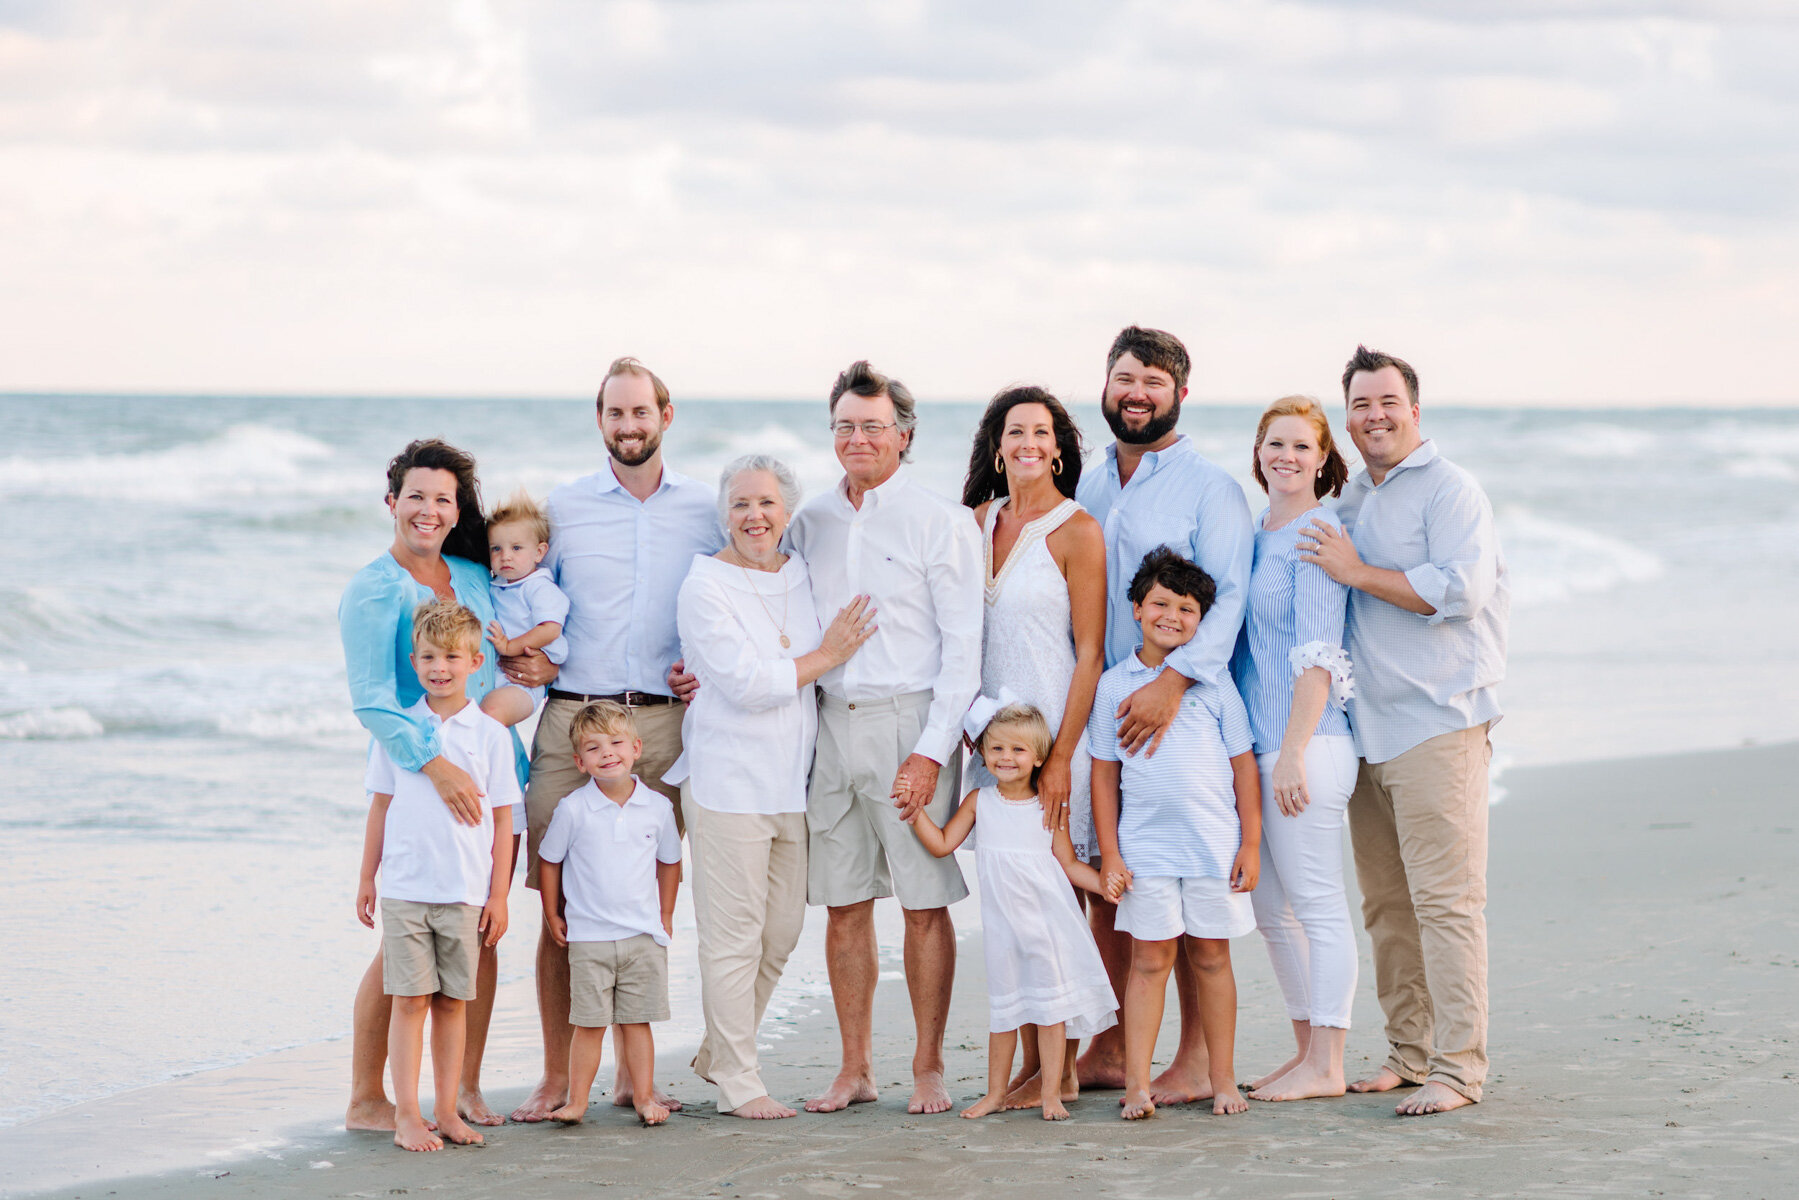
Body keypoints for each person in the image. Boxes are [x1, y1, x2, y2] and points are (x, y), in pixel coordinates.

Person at [502, 356, 723, 1122]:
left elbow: (738, 592)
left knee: (643, 897)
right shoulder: (564, 507)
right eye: (614, 414)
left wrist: (710, 668)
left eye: (640, 412)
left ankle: (637, 1076)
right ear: (599, 421)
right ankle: (559, 1078)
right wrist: (516, 657)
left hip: (664, 723)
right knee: (558, 904)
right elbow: (525, 590)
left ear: (666, 415)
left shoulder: (705, 508)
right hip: (570, 720)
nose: (628, 426)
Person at [1298, 346, 1508, 1116]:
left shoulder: (1451, 490)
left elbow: (1461, 590)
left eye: (1387, 402)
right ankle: (1409, 1054)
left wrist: (1357, 574)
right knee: (1386, 905)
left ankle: (1459, 1068)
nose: (1374, 416)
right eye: (1359, 405)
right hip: (1364, 731)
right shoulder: (1352, 497)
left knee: (1447, 902)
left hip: (1438, 723)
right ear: (1346, 417)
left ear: (1413, 409)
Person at [786, 360, 984, 1116]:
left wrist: (932, 751)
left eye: (872, 426)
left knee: (923, 903)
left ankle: (928, 1067)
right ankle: (854, 1067)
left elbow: (962, 648)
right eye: (844, 425)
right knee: (843, 904)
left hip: (912, 721)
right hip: (830, 724)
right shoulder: (811, 521)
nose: (857, 438)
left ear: (903, 435)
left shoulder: (940, 521)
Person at [1072, 325, 1253, 1102]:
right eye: (1123, 378)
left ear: (1180, 391)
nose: (1135, 393)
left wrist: (1173, 682)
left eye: (1151, 380)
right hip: (1100, 702)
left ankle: (1190, 1061)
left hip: (1178, 710)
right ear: (1105, 387)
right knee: (1114, 886)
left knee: (1192, 912)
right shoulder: (1086, 483)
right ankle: (1111, 1049)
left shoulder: (1210, 488)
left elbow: (1229, 599)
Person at [667, 454, 876, 1119]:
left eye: (765, 504)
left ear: (786, 511)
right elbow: (748, 685)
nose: (754, 517)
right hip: (727, 782)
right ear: (723, 513)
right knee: (732, 937)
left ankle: (718, 1052)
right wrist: (826, 657)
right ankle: (738, 1082)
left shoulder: (801, 575)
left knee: (780, 932)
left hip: (794, 783)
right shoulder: (704, 586)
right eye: (740, 505)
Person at [338, 437, 519, 1131]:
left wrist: (519, 689)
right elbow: (372, 699)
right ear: (393, 503)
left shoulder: (472, 576)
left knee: (480, 929)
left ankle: (460, 1092)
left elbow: (494, 666)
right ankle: (365, 1096)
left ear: (455, 510)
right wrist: (435, 766)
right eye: (415, 495)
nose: (427, 508)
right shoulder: (374, 586)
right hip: (420, 780)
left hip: (489, 769)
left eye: (442, 498)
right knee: (402, 954)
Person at [959, 384, 1108, 1107]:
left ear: (1057, 448)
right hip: (991, 750)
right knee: (1010, 899)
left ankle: (1058, 1070)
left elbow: (1089, 654)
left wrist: (1062, 760)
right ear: (997, 446)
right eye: (1014, 430)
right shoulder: (974, 522)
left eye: (1040, 432)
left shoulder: (1077, 530)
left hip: (1052, 746)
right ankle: (1032, 1068)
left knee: (1053, 903)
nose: (1026, 442)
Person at [1089, 549, 1260, 1120]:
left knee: (1212, 958)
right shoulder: (1115, 686)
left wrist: (1251, 843)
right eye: (1160, 603)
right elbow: (1104, 775)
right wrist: (1111, 852)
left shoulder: (1213, 684)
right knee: (1150, 961)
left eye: (1187, 609)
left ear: (1201, 621)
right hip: (1145, 850)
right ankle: (1136, 1083)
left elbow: (1243, 766)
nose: (1172, 616)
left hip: (1214, 849)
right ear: (1136, 609)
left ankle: (1223, 1079)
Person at [1229, 396, 1359, 1102]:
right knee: (1271, 911)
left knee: (1316, 905)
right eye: (1274, 444)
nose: (1285, 456)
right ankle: (1305, 1052)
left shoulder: (1315, 531)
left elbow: (1317, 656)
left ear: (1321, 459)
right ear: (1257, 454)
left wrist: (1290, 752)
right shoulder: (1258, 532)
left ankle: (1329, 1063)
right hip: (1261, 748)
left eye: (1300, 447)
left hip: (1307, 747)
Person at [354, 600, 516, 1151]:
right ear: (413, 660)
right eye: (427, 656)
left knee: (452, 1003)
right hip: (405, 889)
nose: (438, 666)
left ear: (476, 661)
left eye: (451, 656)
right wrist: (367, 879)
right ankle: (406, 1115)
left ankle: (446, 1110)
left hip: (465, 892)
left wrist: (499, 895)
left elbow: (502, 818)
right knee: (409, 1001)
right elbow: (379, 807)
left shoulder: (490, 734)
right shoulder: (399, 731)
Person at [906, 701, 1116, 1122]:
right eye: (997, 748)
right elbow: (944, 843)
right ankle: (995, 1094)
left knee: (1052, 1014)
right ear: (983, 753)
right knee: (1004, 1013)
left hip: (1048, 925)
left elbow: (1070, 864)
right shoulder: (979, 801)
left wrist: (1105, 884)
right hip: (1003, 929)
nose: (1006, 757)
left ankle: (1053, 1091)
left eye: (1018, 750)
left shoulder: (1047, 805)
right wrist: (915, 815)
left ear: (1039, 757)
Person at [537, 701, 683, 1126]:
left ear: (636, 747)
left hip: (642, 936)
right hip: (589, 938)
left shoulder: (657, 807)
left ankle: (642, 1097)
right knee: (589, 1025)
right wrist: (552, 913)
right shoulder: (573, 809)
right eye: (594, 747)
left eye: (617, 743)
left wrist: (666, 915)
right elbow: (550, 860)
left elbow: (670, 862)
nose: (608, 753)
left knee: (638, 1023)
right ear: (579, 762)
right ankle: (577, 1102)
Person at [479, 489, 569, 727]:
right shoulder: (497, 584)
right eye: (496, 548)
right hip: (498, 674)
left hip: (525, 682)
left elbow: (550, 629)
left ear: (539, 552)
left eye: (516, 548)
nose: (505, 556)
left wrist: (510, 646)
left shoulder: (539, 587)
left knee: (490, 714)